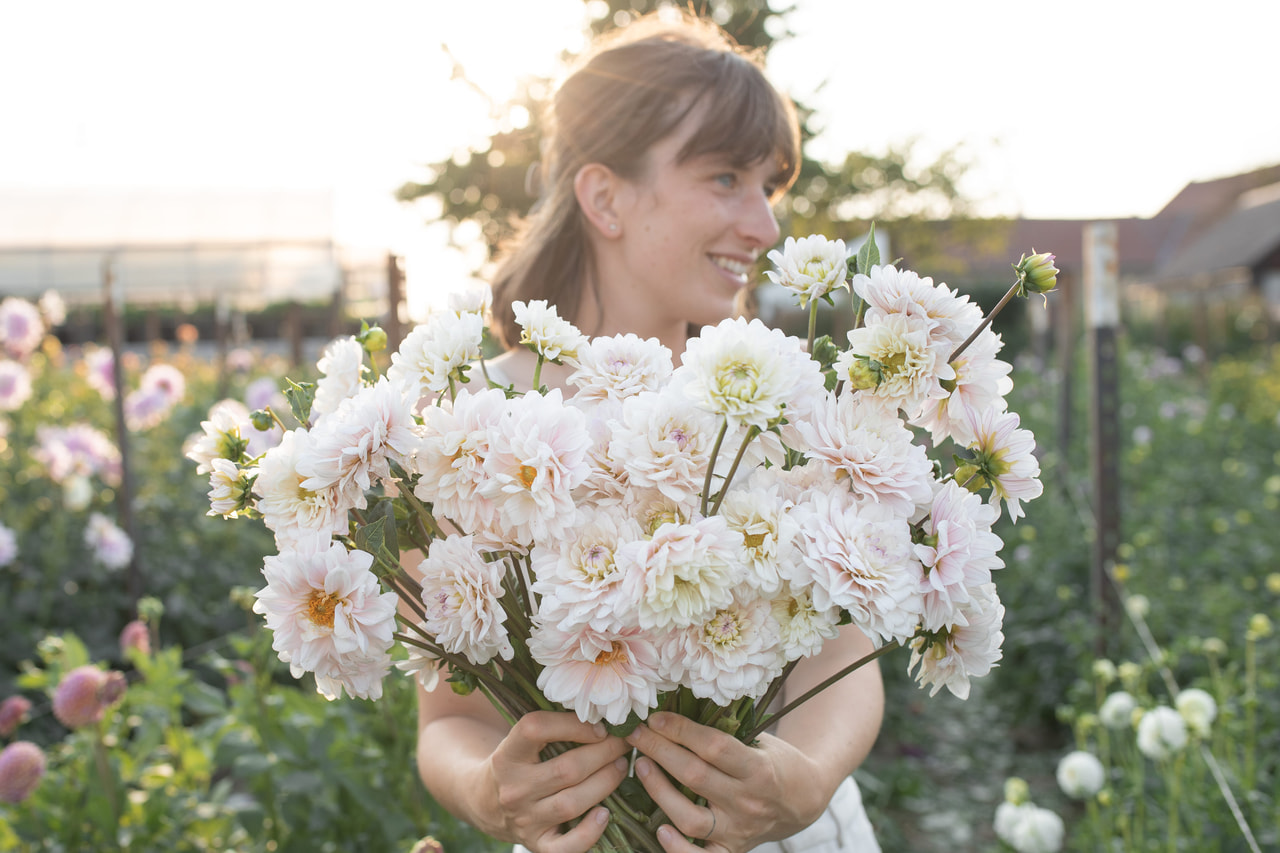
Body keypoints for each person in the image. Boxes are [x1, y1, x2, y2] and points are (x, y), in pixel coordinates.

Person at [413, 12, 884, 853]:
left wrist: (805, 781)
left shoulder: (775, 405)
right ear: (605, 197)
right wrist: (490, 791)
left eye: (769, 187)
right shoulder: (477, 429)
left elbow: (842, 658)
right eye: (727, 178)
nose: (766, 228)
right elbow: (448, 717)